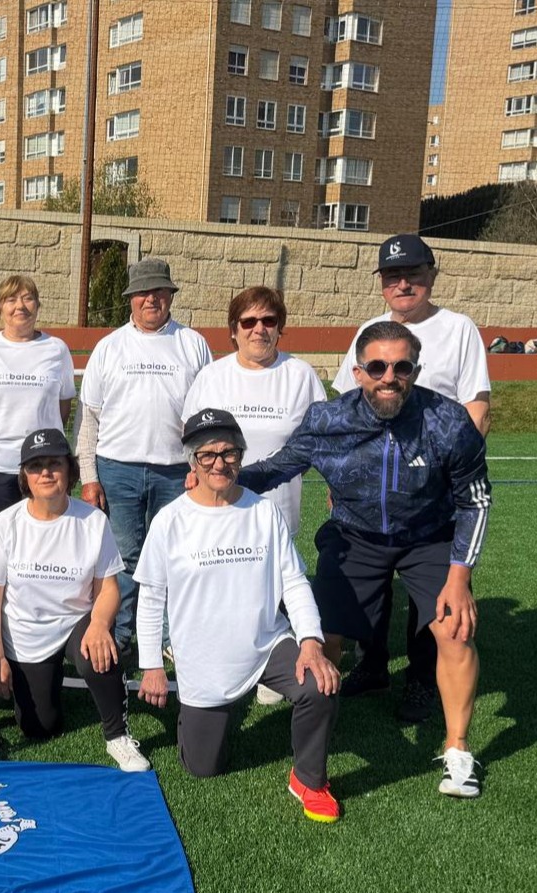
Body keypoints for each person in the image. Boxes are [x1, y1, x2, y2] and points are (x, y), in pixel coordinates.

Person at [242, 322, 491, 800]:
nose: (389, 377)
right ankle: (319, 739)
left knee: (453, 627)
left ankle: (458, 750)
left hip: (428, 538)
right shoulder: (327, 419)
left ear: (416, 371)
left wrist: (460, 576)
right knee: (324, 635)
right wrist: (221, 480)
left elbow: (475, 502)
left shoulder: (448, 421)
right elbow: (276, 467)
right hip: (354, 536)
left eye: (401, 367)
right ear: (358, 372)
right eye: (377, 366)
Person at [137, 409, 342, 821]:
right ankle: (201, 722)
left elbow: (295, 583)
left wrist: (311, 642)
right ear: (192, 461)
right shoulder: (170, 521)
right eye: (208, 454)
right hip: (204, 660)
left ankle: (308, 779)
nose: (220, 463)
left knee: (320, 684)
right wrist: (151, 665)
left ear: (242, 455)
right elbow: (151, 597)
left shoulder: (263, 512)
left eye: (229, 452)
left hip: (266, 644)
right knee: (204, 767)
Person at [327, 234, 491, 721]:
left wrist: (450, 477)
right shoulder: (370, 329)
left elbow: (476, 410)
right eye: (393, 277)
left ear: (431, 276)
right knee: (368, 592)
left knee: (430, 598)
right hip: (368, 494)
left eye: (413, 275)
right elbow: (345, 408)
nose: (403, 284)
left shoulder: (458, 329)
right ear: (381, 285)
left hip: (429, 495)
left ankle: (420, 681)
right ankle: (372, 665)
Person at [182, 286, 325, 707]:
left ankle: (269, 663)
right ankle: (215, 659)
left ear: (280, 328)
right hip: (219, 505)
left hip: (278, 506)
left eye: (268, 321)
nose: (259, 329)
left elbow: (323, 437)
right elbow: (191, 438)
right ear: (234, 330)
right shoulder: (213, 376)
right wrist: (195, 475)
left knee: (274, 586)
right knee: (221, 581)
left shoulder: (300, 375)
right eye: (249, 322)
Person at [0, 431, 146, 772]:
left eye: (54, 463)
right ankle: (45, 679)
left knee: (100, 650)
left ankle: (118, 736)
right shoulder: (6, 524)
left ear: (69, 470)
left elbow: (109, 587)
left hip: (75, 623)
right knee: (40, 727)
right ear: (25, 475)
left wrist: (99, 624)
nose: (46, 473)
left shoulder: (92, 520)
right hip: (25, 632)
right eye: (36, 466)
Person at [76, 258, 212, 654]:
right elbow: (89, 418)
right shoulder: (109, 347)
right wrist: (89, 475)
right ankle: (120, 633)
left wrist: (198, 467)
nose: (151, 299)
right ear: (130, 299)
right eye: (143, 293)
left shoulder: (192, 344)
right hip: (118, 470)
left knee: (174, 556)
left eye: (159, 291)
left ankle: (169, 636)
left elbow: (206, 416)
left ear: (170, 296)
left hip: (177, 472)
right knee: (124, 559)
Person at [0, 275, 77, 565]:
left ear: (38, 306)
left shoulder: (57, 349)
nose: (20, 306)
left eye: (27, 298)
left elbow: (63, 404)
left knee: (40, 550)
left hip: (42, 468)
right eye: (11, 299)